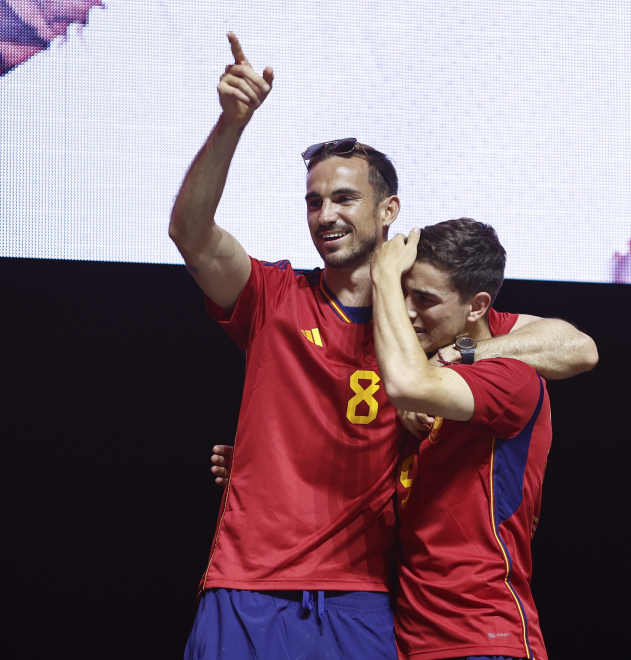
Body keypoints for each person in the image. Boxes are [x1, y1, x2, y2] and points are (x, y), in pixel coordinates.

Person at [170, 34, 597, 659]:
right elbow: (190, 232)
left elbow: (576, 346)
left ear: (388, 210)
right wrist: (232, 123)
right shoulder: (275, 294)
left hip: (361, 597)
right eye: (314, 201)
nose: (325, 215)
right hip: (248, 583)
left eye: (344, 198)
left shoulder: (427, 323)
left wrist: (461, 355)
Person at [213, 219, 559, 659]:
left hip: (484, 634)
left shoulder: (508, 377)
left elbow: (582, 347)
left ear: (477, 307)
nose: (407, 311)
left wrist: (384, 275)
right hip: (409, 636)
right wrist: (262, 470)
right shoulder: (426, 379)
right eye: (404, 293)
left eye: (426, 300)